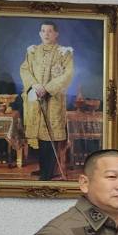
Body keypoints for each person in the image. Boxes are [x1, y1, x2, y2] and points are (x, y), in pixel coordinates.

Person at [20, 20, 74, 181]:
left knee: (50, 135)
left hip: (53, 99)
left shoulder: (64, 53)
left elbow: (68, 74)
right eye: (43, 31)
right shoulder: (32, 51)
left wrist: (48, 88)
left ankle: (48, 172)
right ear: (39, 33)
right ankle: (43, 167)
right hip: (36, 97)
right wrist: (34, 85)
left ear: (56, 34)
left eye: (50, 31)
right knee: (39, 135)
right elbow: (25, 69)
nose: (46, 34)